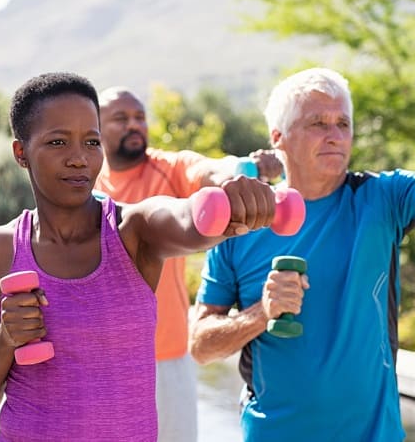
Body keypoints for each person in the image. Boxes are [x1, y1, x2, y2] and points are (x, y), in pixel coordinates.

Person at [188, 67, 415, 441]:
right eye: (318, 123)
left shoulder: (382, 197)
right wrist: (260, 313)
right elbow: (200, 345)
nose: (335, 136)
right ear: (279, 138)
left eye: (343, 124)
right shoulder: (241, 225)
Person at [0, 72, 280, 442]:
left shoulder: (133, 230)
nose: (78, 159)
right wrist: (6, 339)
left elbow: (186, 221)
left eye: (91, 142)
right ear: (21, 152)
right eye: (58, 141)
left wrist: (230, 208)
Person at [93, 86, 282, 441]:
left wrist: (245, 169)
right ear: (97, 128)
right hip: (99, 360)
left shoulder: (169, 168)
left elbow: (212, 169)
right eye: (121, 118)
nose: (134, 125)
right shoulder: (87, 182)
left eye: (139, 117)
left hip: (165, 357)